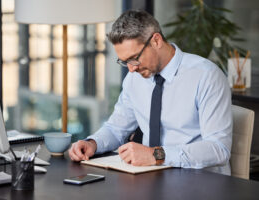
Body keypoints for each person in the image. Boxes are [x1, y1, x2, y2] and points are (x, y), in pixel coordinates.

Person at [68, 10, 232, 175]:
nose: (131, 69)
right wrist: (92, 143)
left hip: (201, 181)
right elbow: (116, 128)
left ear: (156, 40)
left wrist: (156, 155)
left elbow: (219, 149)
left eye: (134, 58)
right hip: (149, 177)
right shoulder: (135, 79)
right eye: (125, 62)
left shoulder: (206, 76)